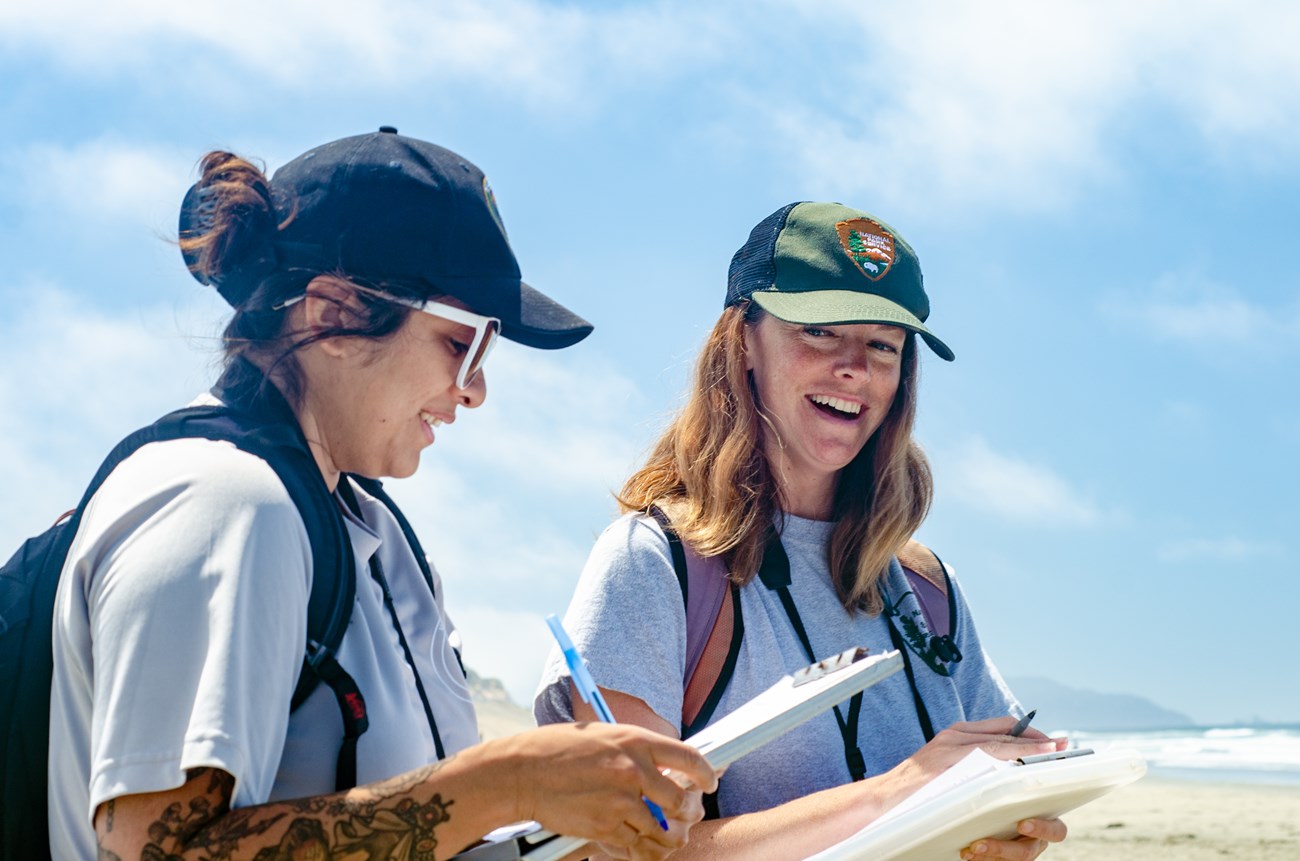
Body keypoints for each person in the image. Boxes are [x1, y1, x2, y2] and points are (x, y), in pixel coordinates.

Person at [48, 127, 716, 861]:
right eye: (463, 344)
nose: (477, 389)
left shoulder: (372, 530)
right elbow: (159, 851)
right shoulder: (225, 504)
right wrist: (511, 780)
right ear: (334, 313)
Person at [535, 202, 1069, 860]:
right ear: (743, 341)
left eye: (883, 345)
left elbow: (987, 781)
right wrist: (895, 793)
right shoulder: (653, 564)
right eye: (820, 330)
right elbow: (614, 849)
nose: (855, 367)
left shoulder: (928, 586)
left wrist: (1006, 825)